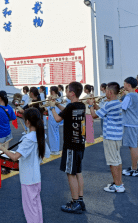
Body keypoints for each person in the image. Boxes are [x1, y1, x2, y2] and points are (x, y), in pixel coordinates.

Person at [0, 108, 50, 223]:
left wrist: (2, 148)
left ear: (27, 121)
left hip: (28, 179)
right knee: (36, 206)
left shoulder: (29, 138)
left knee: (30, 208)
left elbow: (14, 157)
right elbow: (45, 154)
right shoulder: (38, 135)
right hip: (35, 177)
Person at [51, 82, 86, 213]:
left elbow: (58, 119)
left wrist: (52, 108)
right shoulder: (81, 105)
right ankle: (80, 200)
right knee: (78, 172)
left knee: (70, 173)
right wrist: (57, 104)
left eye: (67, 91)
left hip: (70, 144)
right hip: (80, 143)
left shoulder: (71, 106)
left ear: (72, 93)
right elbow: (66, 112)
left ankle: (75, 202)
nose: (66, 93)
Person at [89, 82, 125, 193]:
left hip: (110, 136)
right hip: (117, 135)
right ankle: (118, 182)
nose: (105, 93)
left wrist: (90, 106)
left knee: (112, 161)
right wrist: (95, 106)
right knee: (117, 160)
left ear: (109, 92)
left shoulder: (110, 104)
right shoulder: (118, 102)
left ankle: (118, 186)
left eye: (106, 91)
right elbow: (103, 112)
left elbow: (94, 115)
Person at [119, 77, 138, 177]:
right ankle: (134, 167)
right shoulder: (135, 94)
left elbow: (122, 107)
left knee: (132, 145)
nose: (123, 86)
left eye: (124, 84)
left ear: (128, 85)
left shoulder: (129, 96)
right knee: (133, 145)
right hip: (134, 122)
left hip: (130, 123)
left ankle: (134, 169)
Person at [45, 86, 62, 155]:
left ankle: (54, 150)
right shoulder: (58, 99)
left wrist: (48, 102)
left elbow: (47, 109)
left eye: (50, 91)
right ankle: (56, 149)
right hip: (56, 116)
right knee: (56, 134)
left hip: (52, 117)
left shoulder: (52, 99)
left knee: (52, 134)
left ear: (52, 92)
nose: (49, 92)